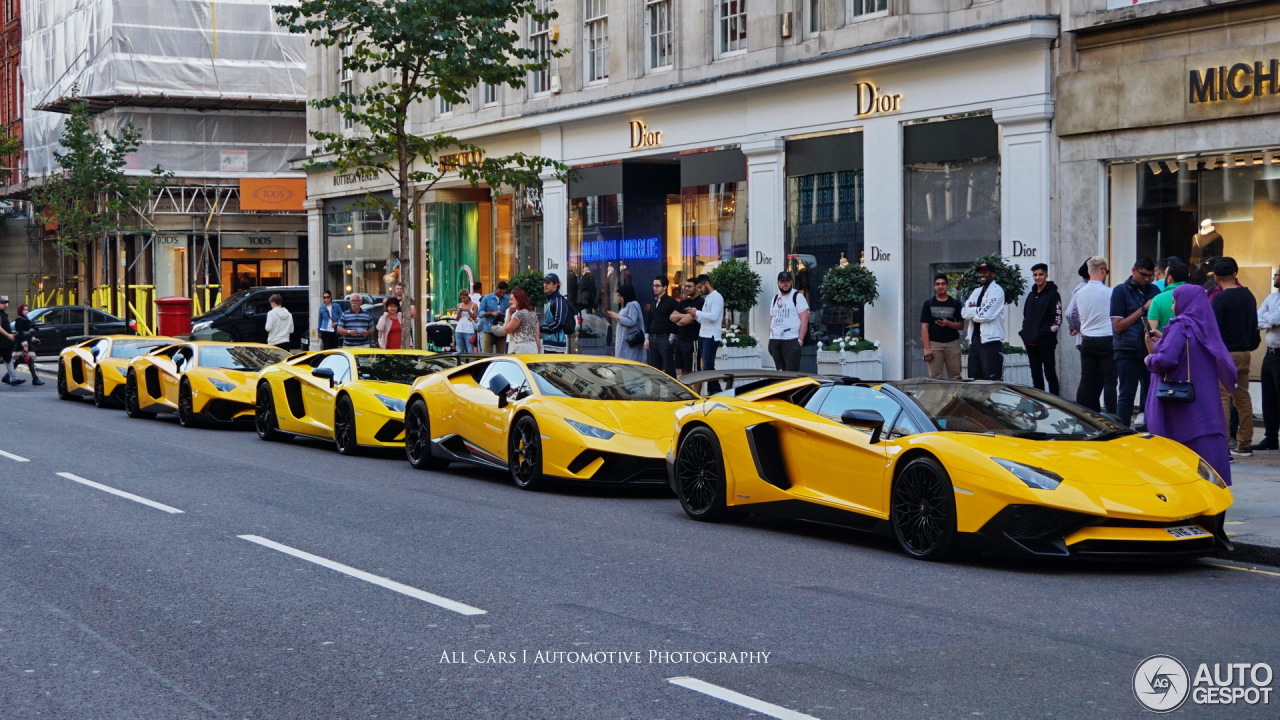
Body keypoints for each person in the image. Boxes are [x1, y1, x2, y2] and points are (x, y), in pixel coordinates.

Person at [1145, 284, 1238, 485]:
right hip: (1203, 398)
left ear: (1186, 302)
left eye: (1174, 302)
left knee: (1181, 442)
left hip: (1180, 402)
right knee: (1203, 439)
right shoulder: (1201, 325)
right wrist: (1165, 339)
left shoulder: (1181, 325)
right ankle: (1212, 482)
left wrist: (1149, 360)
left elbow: (1166, 360)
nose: (1172, 307)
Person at [1210, 257, 1260, 457]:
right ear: (1235, 273)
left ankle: (1222, 443)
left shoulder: (1220, 299)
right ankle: (1245, 442)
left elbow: (1213, 330)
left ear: (1216, 277)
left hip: (1224, 353)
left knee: (1222, 397)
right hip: (1244, 352)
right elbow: (1254, 325)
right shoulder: (1248, 295)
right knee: (1242, 396)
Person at [1111, 258, 1159, 427]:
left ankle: (1150, 430)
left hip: (1149, 349)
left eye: (1150, 276)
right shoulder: (1120, 291)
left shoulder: (1153, 290)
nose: (1146, 279)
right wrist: (1143, 310)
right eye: (1143, 275)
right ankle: (1122, 431)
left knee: (1150, 394)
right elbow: (1117, 327)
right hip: (1127, 350)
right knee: (1126, 395)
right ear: (1134, 270)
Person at [1066, 256, 1116, 414]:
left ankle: (1084, 416)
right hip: (1107, 340)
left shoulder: (1080, 292)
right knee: (1110, 382)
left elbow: (1070, 313)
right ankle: (1112, 416)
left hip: (1087, 340)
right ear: (1102, 270)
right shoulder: (1111, 292)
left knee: (1086, 381)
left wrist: (1076, 327)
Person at [1019, 263, 1061, 394]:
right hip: (1031, 343)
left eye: (1040, 274)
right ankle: (1039, 405)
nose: (1038, 278)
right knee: (1036, 375)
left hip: (1046, 343)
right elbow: (1025, 317)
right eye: (1035, 275)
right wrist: (1026, 333)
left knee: (1050, 374)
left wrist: (1042, 334)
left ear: (1046, 275)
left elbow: (1057, 320)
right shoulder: (1031, 296)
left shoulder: (1053, 294)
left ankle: (1056, 403)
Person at [961, 261, 1006, 380]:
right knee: (975, 380)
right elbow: (964, 313)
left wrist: (973, 311)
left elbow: (986, 315)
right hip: (975, 341)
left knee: (993, 380)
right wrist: (978, 310)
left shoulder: (997, 291)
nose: (982, 275)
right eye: (980, 272)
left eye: (985, 272)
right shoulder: (976, 291)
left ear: (993, 274)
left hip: (991, 341)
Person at [920, 274, 964, 380]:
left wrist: (948, 323)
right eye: (938, 284)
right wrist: (927, 349)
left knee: (955, 376)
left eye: (943, 284)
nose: (940, 286)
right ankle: (936, 397)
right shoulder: (928, 303)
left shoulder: (955, 303)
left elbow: (961, 325)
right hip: (934, 343)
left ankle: (954, 397)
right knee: (935, 377)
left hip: (952, 343)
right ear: (934, 287)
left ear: (948, 286)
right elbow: (924, 327)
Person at [1255, 270, 1280, 452]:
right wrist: (1269, 321)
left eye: (1277, 274)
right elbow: (1256, 319)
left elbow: (1277, 318)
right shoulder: (1271, 298)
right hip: (1270, 354)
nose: (1274, 277)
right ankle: (1270, 438)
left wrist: (1269, 319)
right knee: (1269, 397)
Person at [688, 274, 724, 393]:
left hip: (711, 336)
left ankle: (714, 391)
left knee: (707, 366)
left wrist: (697, 312)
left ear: (707, 284)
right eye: (697, 288)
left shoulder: (717, 297)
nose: (699, 290)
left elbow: (714, 316)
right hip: (703, 334)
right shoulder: (708, 298)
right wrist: (695, 316)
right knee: (708, 366)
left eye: (699, 287)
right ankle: (715, 391)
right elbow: (705, 320)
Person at [768, 271, 809, 372]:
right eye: (782, 281)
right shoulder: (775, 298)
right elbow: (772, 318)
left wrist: (800, 340)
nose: (785, 284)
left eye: (788, 281)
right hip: (775, 339)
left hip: (791, 339)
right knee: (780, 370)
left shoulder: (797, 297)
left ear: (791, 282)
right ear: (778, 283)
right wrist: (770, 336)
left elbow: (804, 319)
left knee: (792, 372)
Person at [671, 278, 703, 378]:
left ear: (697, 287)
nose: (686, 288)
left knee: (694, 370)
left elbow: (686, 321)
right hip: (680, 339)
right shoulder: (683, 302)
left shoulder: (701, 302)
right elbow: (672, 317)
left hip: (692, 340)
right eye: (686, 286)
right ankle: (688, 392)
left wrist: (681, 318)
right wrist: (684, 316)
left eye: (689, 286)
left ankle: (696, 393)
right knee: (683, 369)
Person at [646, 276, 677, 374]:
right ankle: (656, 389)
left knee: (669, 367)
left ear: (665, 287)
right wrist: (647, 337)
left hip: (665, 337)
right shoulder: (653, 301)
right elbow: (650, 319)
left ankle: (672, 388)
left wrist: (671, 338)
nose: (654, 288)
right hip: (653, 338)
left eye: (657, 286)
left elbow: (676, 320)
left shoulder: (671, 302)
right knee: (655, 369)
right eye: (653, 285)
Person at [1147, 257, 1189, 332]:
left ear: (1169, 278)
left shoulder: (1157, 299)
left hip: (1165, 342)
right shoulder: (1196, 296)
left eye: (1165, 275)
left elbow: (1151, 333)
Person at [606, 285, 646, 362]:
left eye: (620, 296)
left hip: (629, 341)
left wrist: (618, 317)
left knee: (629, 362)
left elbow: (632, 321)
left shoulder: (632, 305)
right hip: (625, 340)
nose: (618, 298)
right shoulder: (626, 305)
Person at [540, 273, 572, 353]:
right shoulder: (550, 300)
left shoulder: (558, 300)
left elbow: (559, 323)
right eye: (544, 283)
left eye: (548, 283)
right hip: (550, 342)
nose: (544, 285)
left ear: (555, 285)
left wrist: (542, 328)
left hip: (556, 344)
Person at [12, 303, 43, 385]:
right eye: (24, 309)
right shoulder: (19, 321)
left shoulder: (26, 320)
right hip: (22, 343)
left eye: (27, 309)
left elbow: (27, 333)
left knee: (19, 361)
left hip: (27, 342)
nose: (26, 311)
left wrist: (34, 339)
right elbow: (21, 334)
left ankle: (7, 377)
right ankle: (35, 379)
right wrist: (25, 345)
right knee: (26, 361)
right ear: (20, 311)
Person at [503, 288, 541, 354]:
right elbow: (537, 335)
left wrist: (509, 313)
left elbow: (506, 330)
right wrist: (538, 351)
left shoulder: (519, 314)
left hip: (519, 350)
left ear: (518, 300)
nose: (509, 302)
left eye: (511, 299)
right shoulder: (533, 314)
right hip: (532, 349)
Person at [478, 281, 510, 354]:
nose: (502, 294)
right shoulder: (486, 298)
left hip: (501, 330)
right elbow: (479, 313)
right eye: (500, 292)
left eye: (504, 293)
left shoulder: (507, 299)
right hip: (489, 330)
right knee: (486, 354)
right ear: (496, 289)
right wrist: (491, 313)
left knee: (501, 355)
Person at [0, 295, 23, 386]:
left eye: (6, 303)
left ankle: (14, 379)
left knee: (9, 360)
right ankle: (14, 378)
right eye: (2, 303)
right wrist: (8, 335)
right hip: (1, 343)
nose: (5, 305)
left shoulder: (3, 314)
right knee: (8, 360)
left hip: (5, 343)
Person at [392, 281, 416, 349]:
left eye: (401, 288)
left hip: (406, 328)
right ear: (395, 289)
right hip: (394, 328)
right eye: (398, 288)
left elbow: (413, 314)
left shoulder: (408, 300)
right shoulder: (392, 300)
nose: (399, 290)